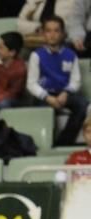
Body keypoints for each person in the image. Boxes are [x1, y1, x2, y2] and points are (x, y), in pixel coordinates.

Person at [27, 15, 89, 145]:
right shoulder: (36, 55)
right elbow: (31, 83)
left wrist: (66, 93)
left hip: (64, 93)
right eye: (48, 31)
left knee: (82, 104)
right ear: (43, 33)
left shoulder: (71, 55)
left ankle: (64, 142)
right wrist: (47, 97)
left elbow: (76, 80)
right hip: (44, 95)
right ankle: (45, 144)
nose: (52, 35)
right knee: (42, 107)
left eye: (56, 30)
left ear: (62, 33)